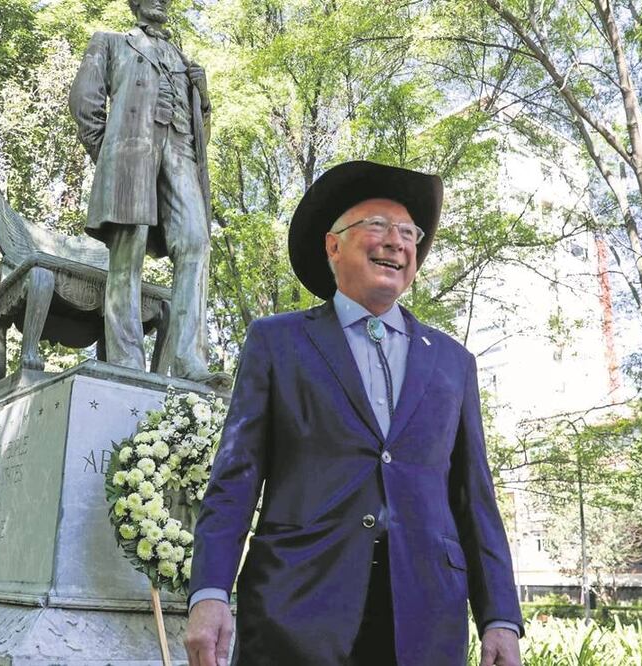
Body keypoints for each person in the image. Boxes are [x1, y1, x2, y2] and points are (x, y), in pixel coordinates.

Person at [185, 161, 523, 666]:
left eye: (408, 232)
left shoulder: (454, 362)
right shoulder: (277, 342)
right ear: (333, 245)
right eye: (378, 226)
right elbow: (235, 478)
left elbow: (475, 500)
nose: (396, 241)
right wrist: (209, 590)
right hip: (294, 611)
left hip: (425, 618)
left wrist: (499, 617)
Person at [69, 0, 229, 389]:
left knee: (195, 242)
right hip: (130, 158)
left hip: (181, 156)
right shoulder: (110, 43)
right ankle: (126, 360)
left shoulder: (185, 59)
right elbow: (84, 104)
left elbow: (201, 137)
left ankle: (189, 358)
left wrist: (203, 99)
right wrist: (111, 157)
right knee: (129, 251)